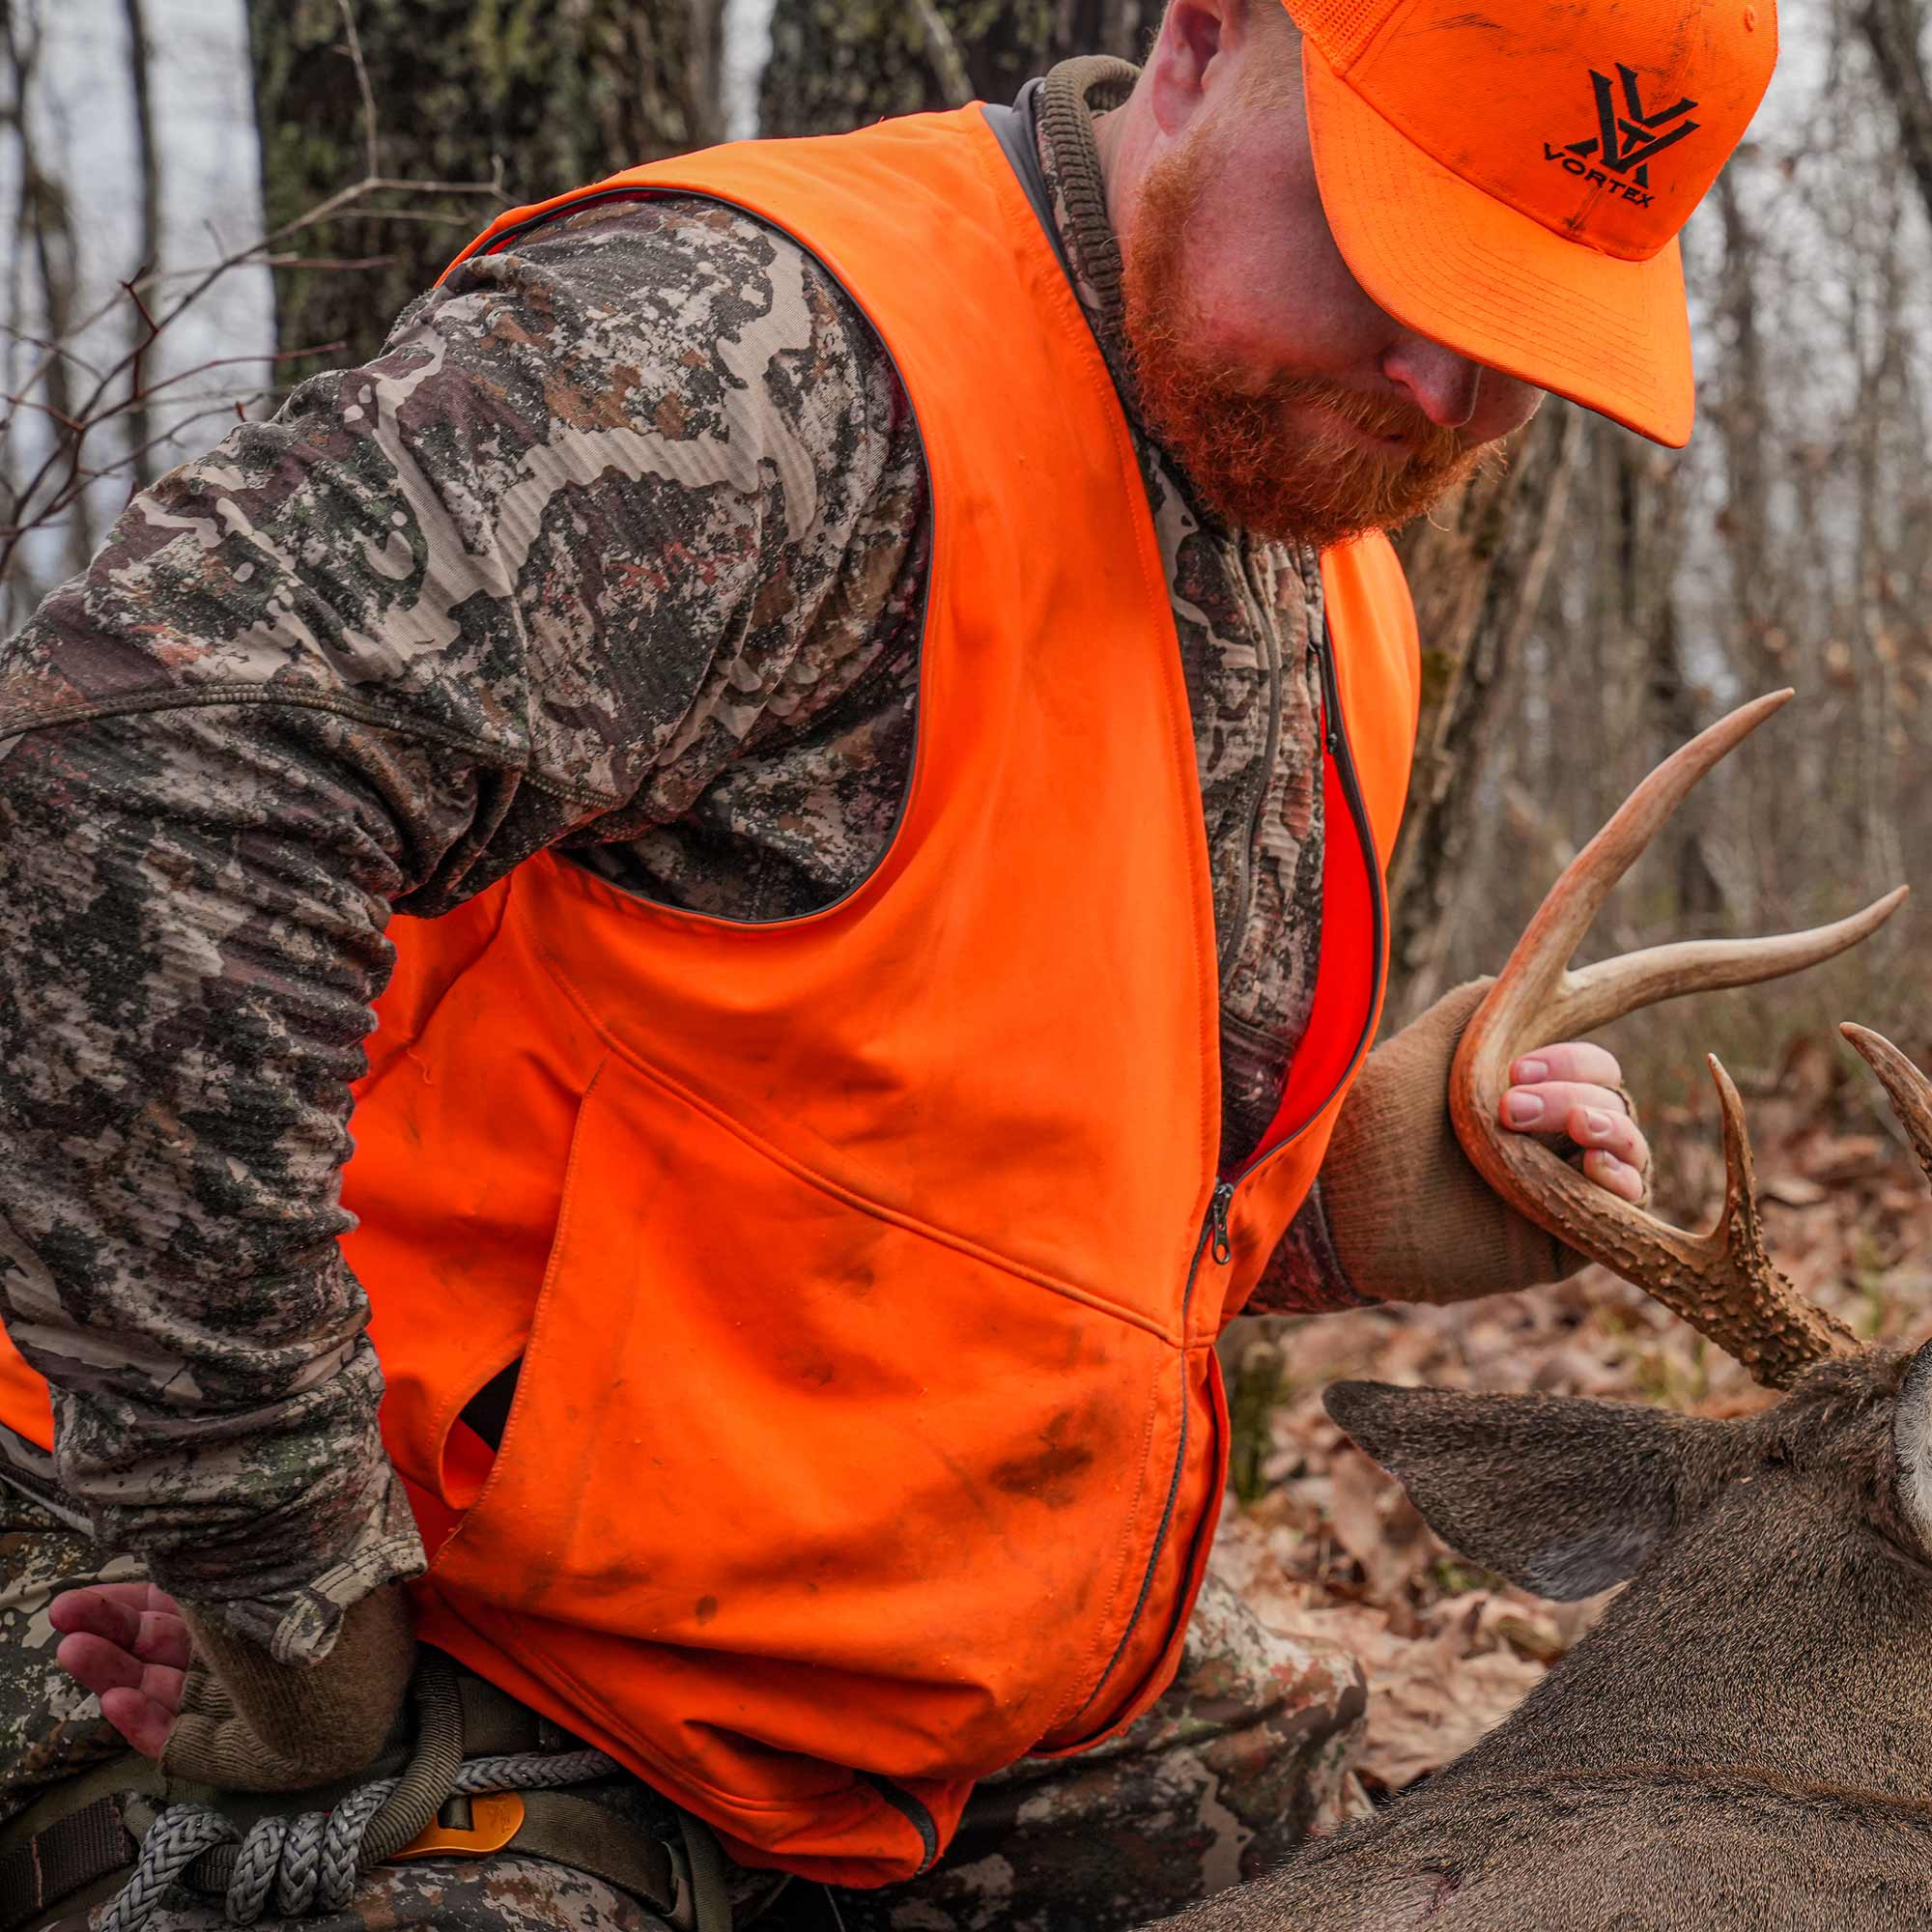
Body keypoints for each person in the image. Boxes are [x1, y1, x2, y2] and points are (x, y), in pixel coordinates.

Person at [0, 0, 1764, 1927]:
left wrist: (1340, 1188)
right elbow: (136, 776)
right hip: (310, 1612)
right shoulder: (761, 370)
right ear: (1195, 41)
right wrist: (278, 1568)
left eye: (1518, 326)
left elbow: (907, 1166)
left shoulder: (1325, 563)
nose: (1436, 381)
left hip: (880, 1690)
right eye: (1394, 246)